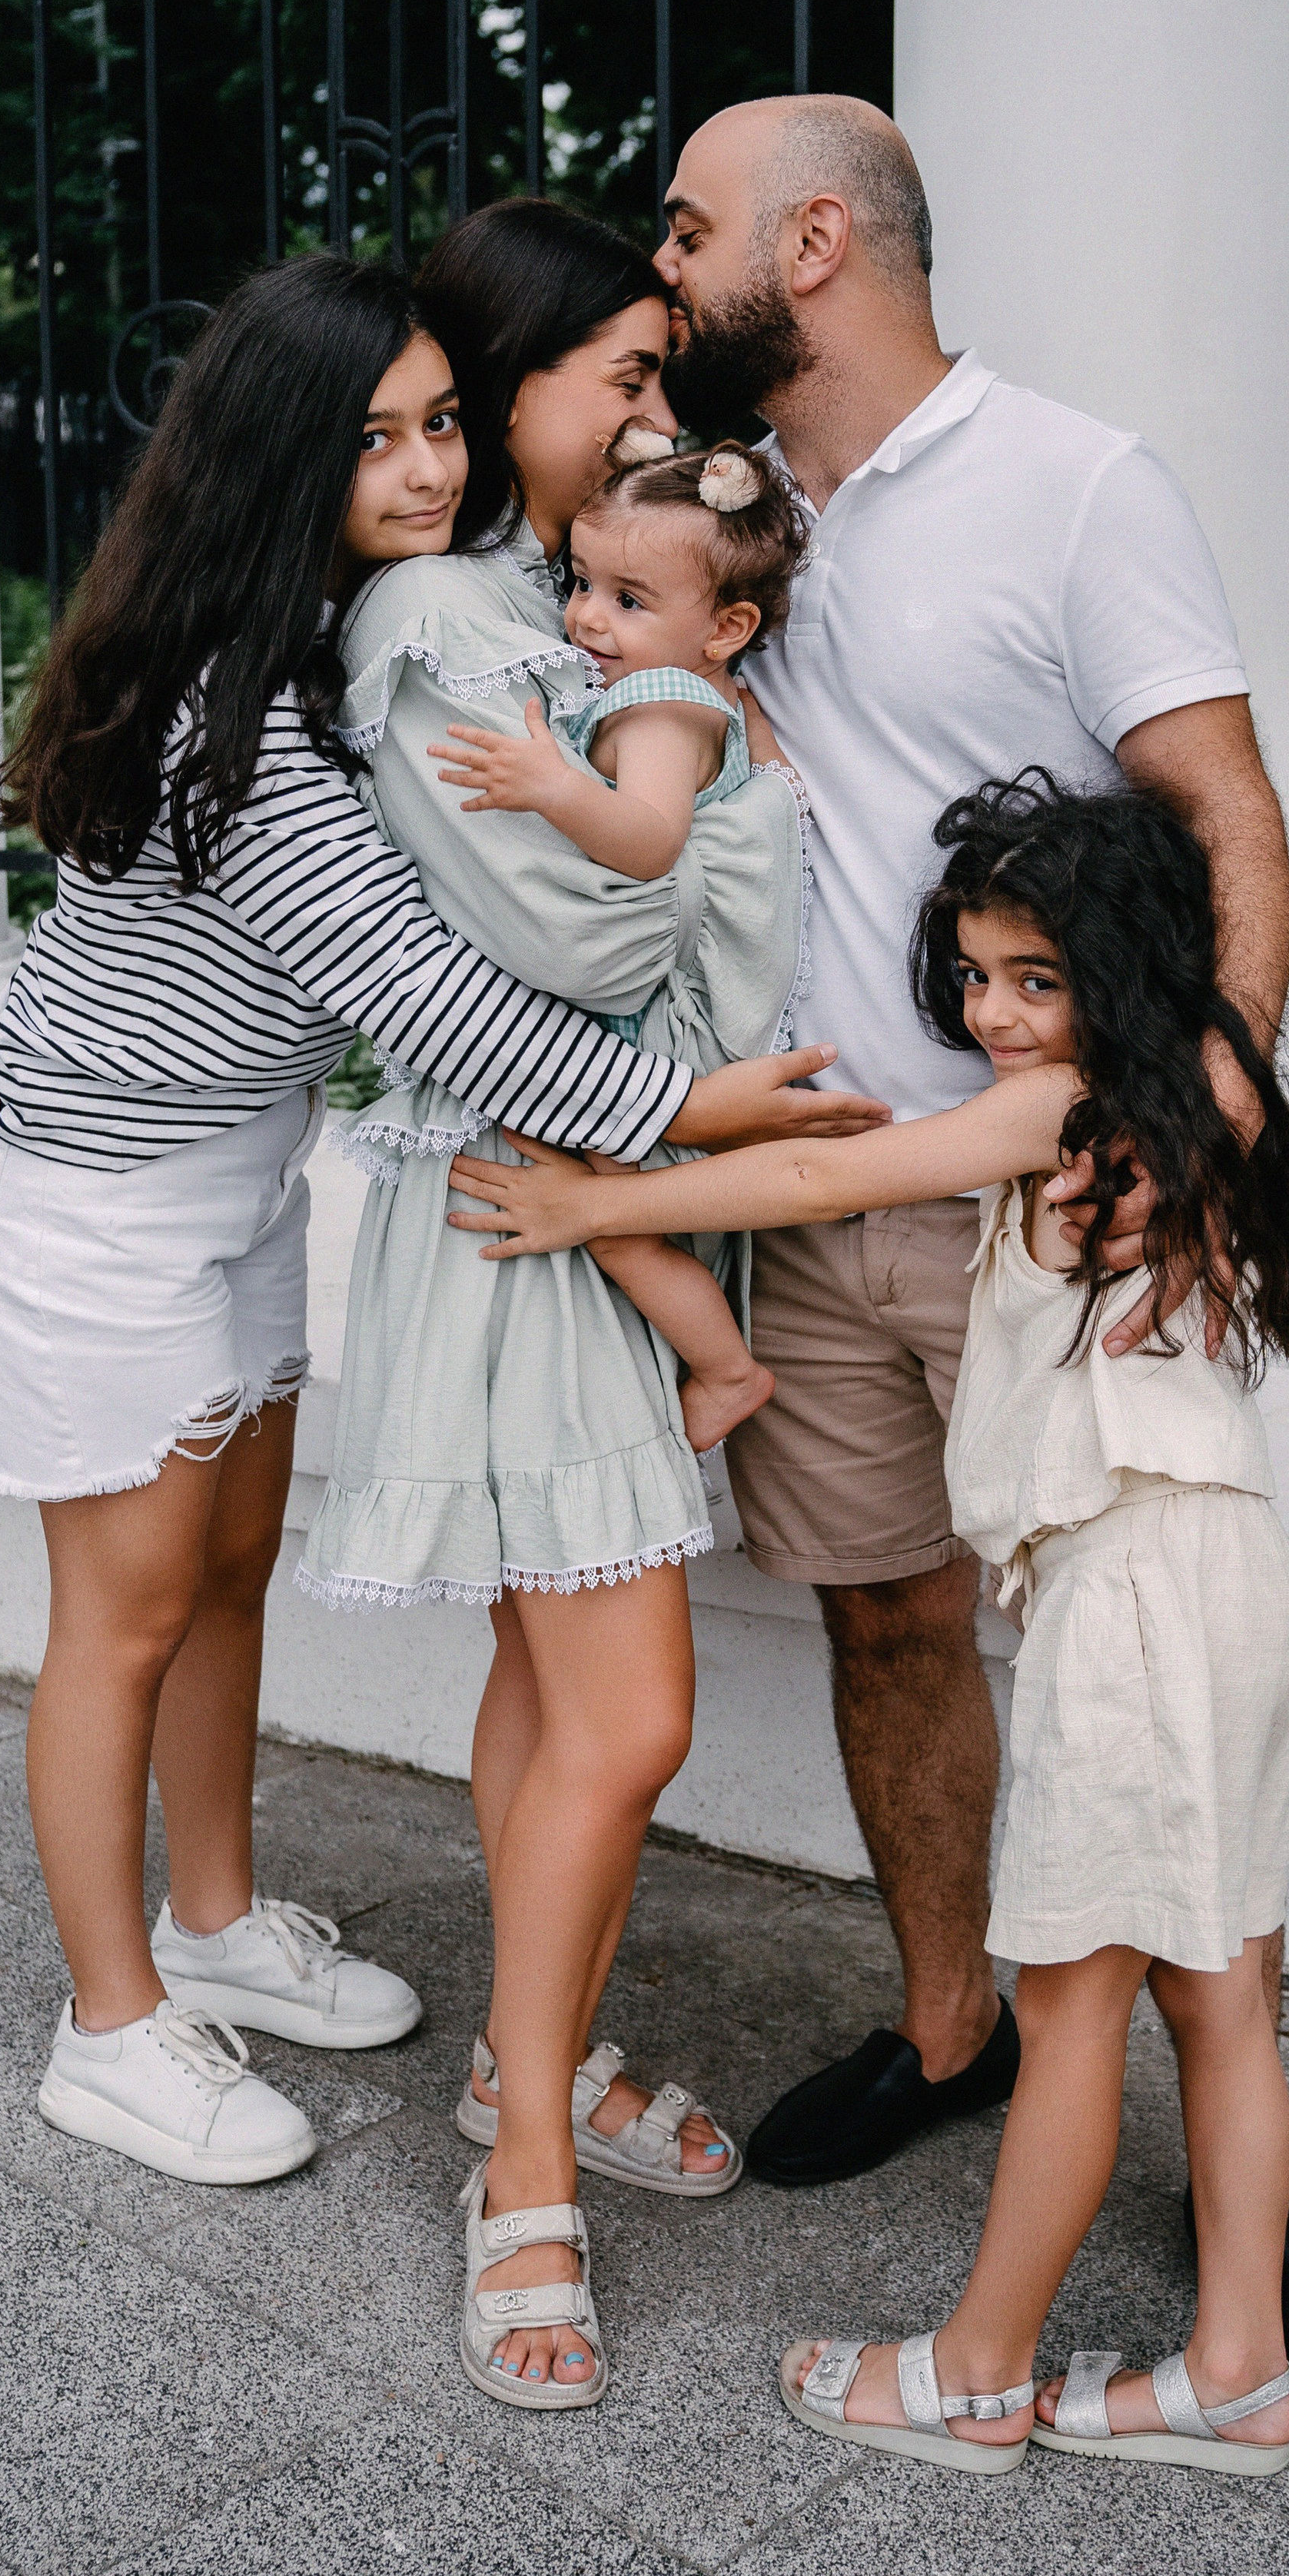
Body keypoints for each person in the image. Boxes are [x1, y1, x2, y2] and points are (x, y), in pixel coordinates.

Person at [0, 247, 879, 2191]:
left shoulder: (315, 641)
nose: (428, 471)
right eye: (373, 441)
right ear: (280, 457)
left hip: (223, 1178)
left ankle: (210, 1919)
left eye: (442, 423)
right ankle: (109, 2023)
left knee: (231, 1561)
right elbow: (413, 987)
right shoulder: (235, 722)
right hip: (85, 1200)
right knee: (116, 1617)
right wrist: (683, 1117)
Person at [646, 93, 1289, 2400]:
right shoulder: (723, 520)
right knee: (890, 1630)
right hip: (821, 1193)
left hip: (1047, 1216)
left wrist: (1217, 1107)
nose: (660, 277)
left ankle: (1237, 2170)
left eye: (684, 236)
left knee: (1130, 1686)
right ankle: (958, 2028)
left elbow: (1227, 808)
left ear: (810, 241)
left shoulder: (1079, 484)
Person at [446, 768, 1289, 2478]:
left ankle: (971, 2372)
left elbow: (805, 1188)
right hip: (1232, 1581)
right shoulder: (1200, 1113)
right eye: (978, 974)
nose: (992, 1016)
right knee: (1217, 1994)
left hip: (1134, 1598)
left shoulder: (1069, 1116)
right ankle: (1235, 2368)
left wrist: (593, 1205)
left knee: (1073, 2007)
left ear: (1122, 973)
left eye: (1035, 978)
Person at [297, 201, 847, 2412]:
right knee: (633, 1724)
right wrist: (699, 811)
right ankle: (524, 2161)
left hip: (572, 1189)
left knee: (553, 1689)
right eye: (615, 372)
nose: (649, 407)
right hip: (546, 1208)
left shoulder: (557, 604)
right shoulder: (451, 618)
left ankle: (532, 2065)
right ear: (512, 382)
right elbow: (596, 954)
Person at [429, 433, 810, 1448]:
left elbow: (648, 845)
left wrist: (552, 788)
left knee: (601, 1204)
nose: (590, 616)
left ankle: (727, 1370)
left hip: (673, 1025)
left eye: (630, 601)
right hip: (727, 1019)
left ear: (727, 625)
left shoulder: (657, 704)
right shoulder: (726, 698)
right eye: (582, 581)